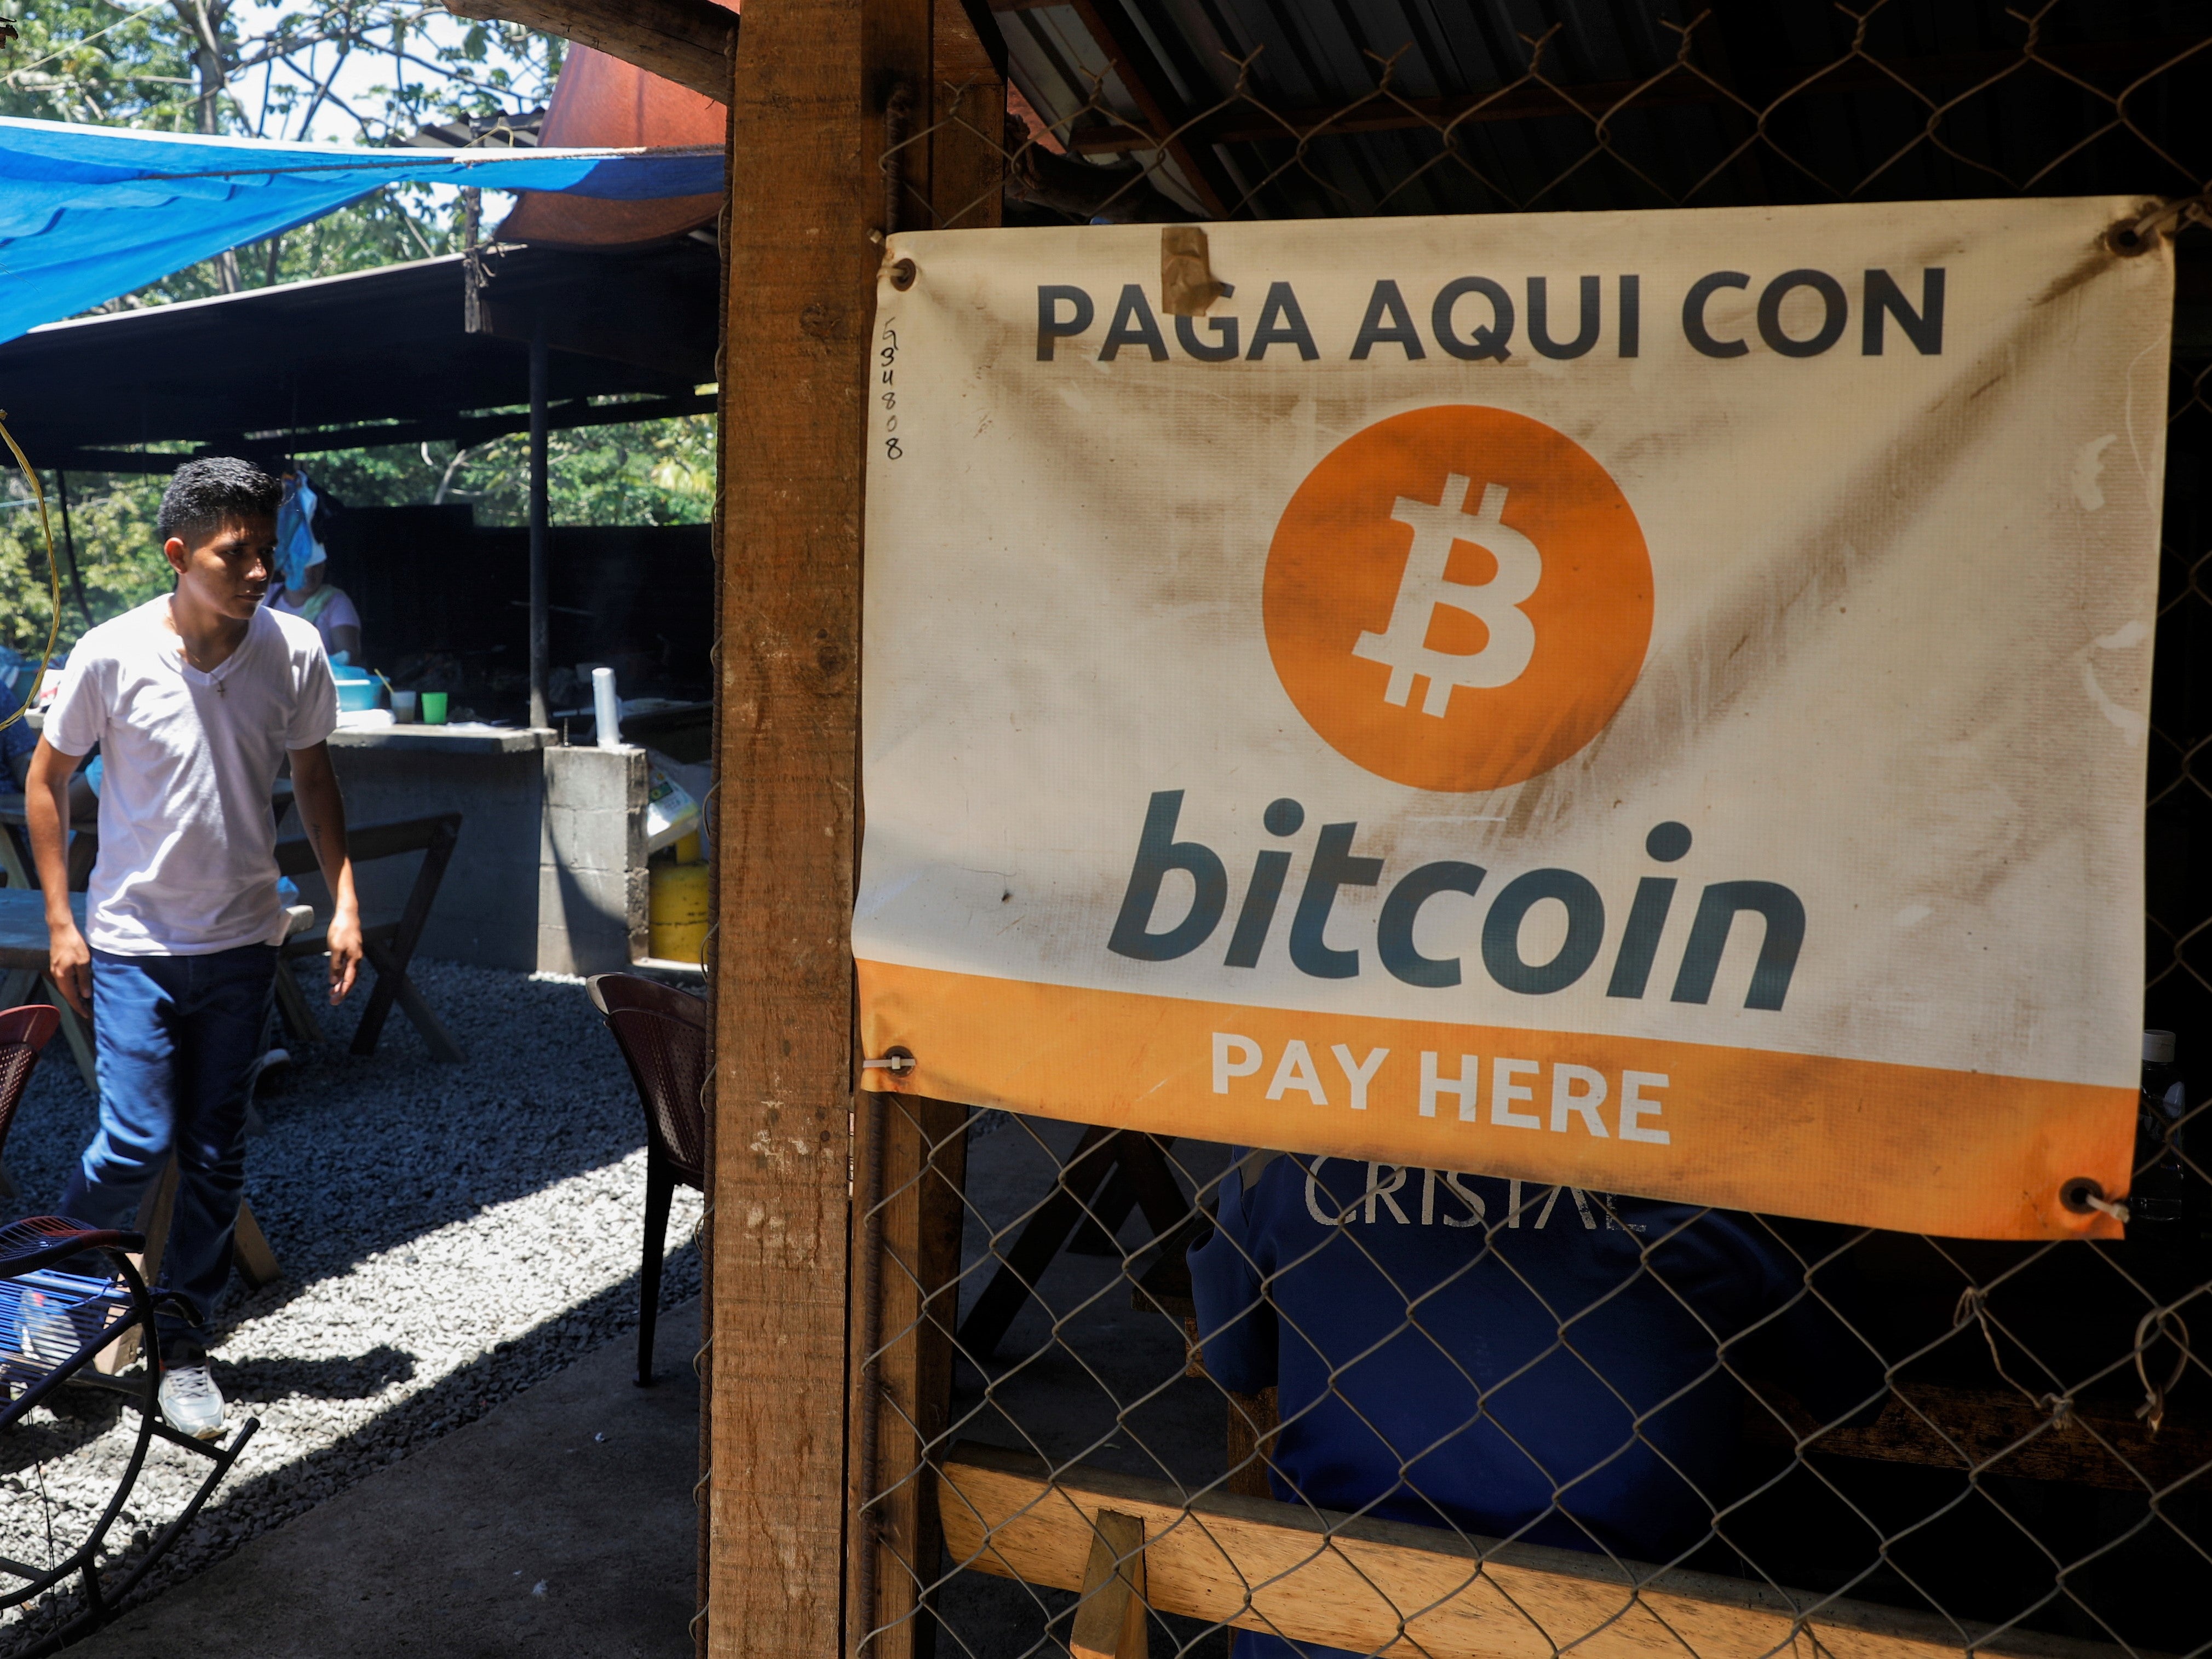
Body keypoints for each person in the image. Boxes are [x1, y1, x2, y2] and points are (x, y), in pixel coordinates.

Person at [1188, 1155, 1883, 1659]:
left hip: (1324, 1629)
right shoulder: (1725, 1171)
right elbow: (1852, 1390)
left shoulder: (1290, 1156)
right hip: (1621, 1633)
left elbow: (1235, 1364)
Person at [27, 457, 364, 1440]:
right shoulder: (111, 653)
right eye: (236, 553)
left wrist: (343, 901)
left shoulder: (294, 650)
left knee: (216, 1156)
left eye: (269, 549)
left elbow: (315, 782)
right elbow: (47, 785)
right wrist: (61, 920)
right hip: (132, 944)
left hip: (244, 944)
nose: (260, 570)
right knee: (133, 1138)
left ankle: (180, 1342)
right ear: (179, 554)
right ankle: (46, 1302)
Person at [267, 542, 361, 661]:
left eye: (316, 566)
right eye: (302, 564)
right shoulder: (266, 595)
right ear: (284, 569)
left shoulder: (336, 601)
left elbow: (349, 656)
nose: (310, 571)